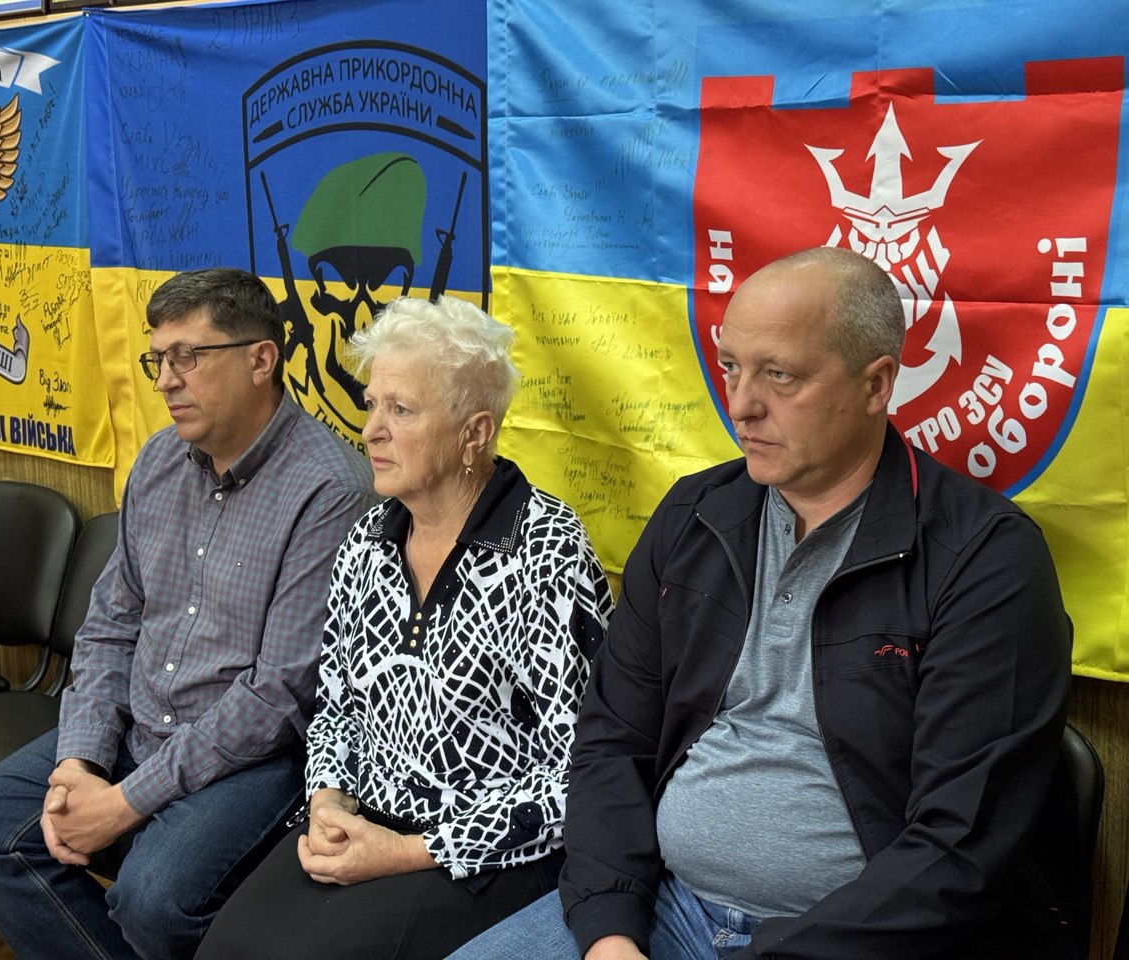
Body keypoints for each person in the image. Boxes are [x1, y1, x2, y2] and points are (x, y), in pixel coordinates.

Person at [448, 246, 1073, 960]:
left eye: (779, 375)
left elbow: (957, 851)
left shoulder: (985, 559)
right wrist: (610, 932)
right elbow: (612, 741)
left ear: (876, 385)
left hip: (860, 942)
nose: (741, 404)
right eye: (730, 368)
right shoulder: (693, 517)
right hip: (666, 906)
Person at [0, 268, 377, 960]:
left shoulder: (330, 489)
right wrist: (80, 761)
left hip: (252, 759)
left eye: (187, 357)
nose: (166, 380)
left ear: (261, 359)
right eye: (157, 361)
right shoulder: (158, 461)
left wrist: (122, 803)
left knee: (153, 901)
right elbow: (111, 624)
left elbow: (278, 696)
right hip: (137, 726)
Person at [196, 295, 614, 960]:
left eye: (401, 410)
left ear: (475, 432)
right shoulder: (369, 536)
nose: (371, 431)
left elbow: (579, 773)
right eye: (371, 405)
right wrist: (328, 800)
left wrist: (405, 852)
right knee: (225, 948)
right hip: (368, 822)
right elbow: (337, 707)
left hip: (484, 856)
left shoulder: (545, 550)